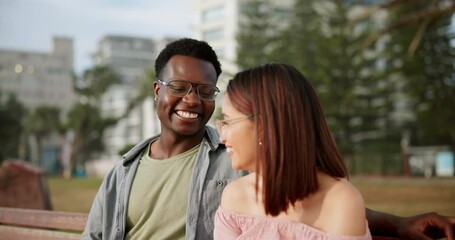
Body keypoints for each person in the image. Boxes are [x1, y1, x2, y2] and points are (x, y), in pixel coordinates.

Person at [82, 37, 455, 240]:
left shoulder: (235, 158)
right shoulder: (124, 172)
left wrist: (399, 224)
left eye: (206, 91)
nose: (193, 100)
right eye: (179, 87)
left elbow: (303, 201)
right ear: (157, 90)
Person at [214, 62, 371, 239]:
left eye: (227, 121)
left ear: (264, 127)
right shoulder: (235, 195)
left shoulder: (340, 201)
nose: (222, 136)